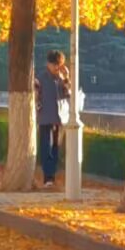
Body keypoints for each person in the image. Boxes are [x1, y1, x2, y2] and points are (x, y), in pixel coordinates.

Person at [35, 50, 72, 188]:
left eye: (60, 64)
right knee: (46, 148)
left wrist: (67, 78)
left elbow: (68, 95)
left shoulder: (62, 79)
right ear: (48, 64)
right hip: (45, 118)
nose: (57, 67)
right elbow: (35, 96)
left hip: (59, 118)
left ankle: (52, 176)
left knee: (56, 148)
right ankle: (47, 178)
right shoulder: (41, 78)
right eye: (55, 64)